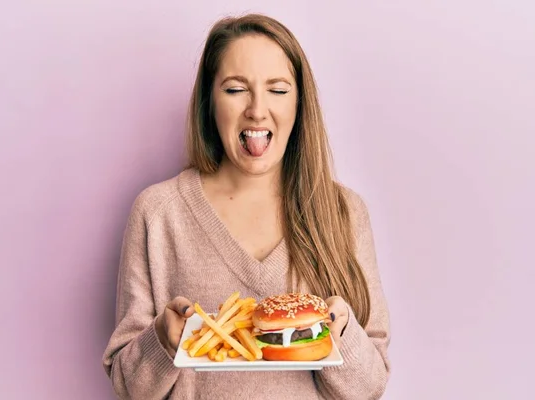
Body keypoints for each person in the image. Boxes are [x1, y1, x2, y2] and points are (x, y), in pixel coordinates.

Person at [102, 13, 391, 400]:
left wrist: (340, 330)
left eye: (278, 89)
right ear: (210, 102)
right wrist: (162, 339)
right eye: (236, 89)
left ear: (300, 105)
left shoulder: (344, 212)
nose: (257, 109)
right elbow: (127, 385)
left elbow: (371, 387)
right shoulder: (158, 212)